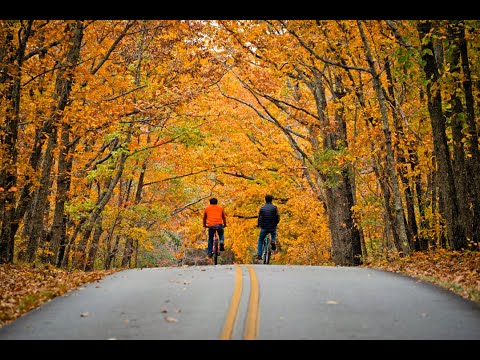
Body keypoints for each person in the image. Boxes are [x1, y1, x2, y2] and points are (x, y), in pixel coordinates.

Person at [256, 194, 280, 260]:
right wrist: (276, 223)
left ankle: (259, 255)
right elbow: (278, 216)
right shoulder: (275, 208)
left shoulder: (262, 208)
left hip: (264, 227)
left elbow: (259, 217)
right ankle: (272, 241)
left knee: (260, 240)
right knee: (274, 233)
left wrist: (258, 225)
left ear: (265, 200)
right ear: (271, 200)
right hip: (272, 226)